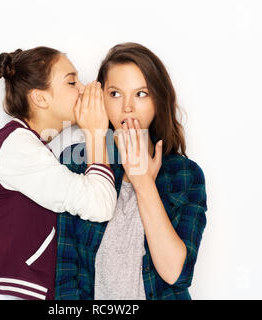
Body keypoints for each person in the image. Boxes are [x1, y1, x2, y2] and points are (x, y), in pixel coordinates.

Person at [0, 46, 117, 300]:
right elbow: (100, 204)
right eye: (72, 82)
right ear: (40, 98)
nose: (83, 89)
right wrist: (96, 133)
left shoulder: (28, 149)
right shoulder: (17, 147)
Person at [55, 42, 208, 300]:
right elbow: (66, 275)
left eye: (141, 94)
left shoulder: (185, 175)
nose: (127, 107)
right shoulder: (75, 163)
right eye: (115, 93)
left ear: (158, 100)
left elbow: (176, 274)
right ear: (101, 98)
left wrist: (142, 182)